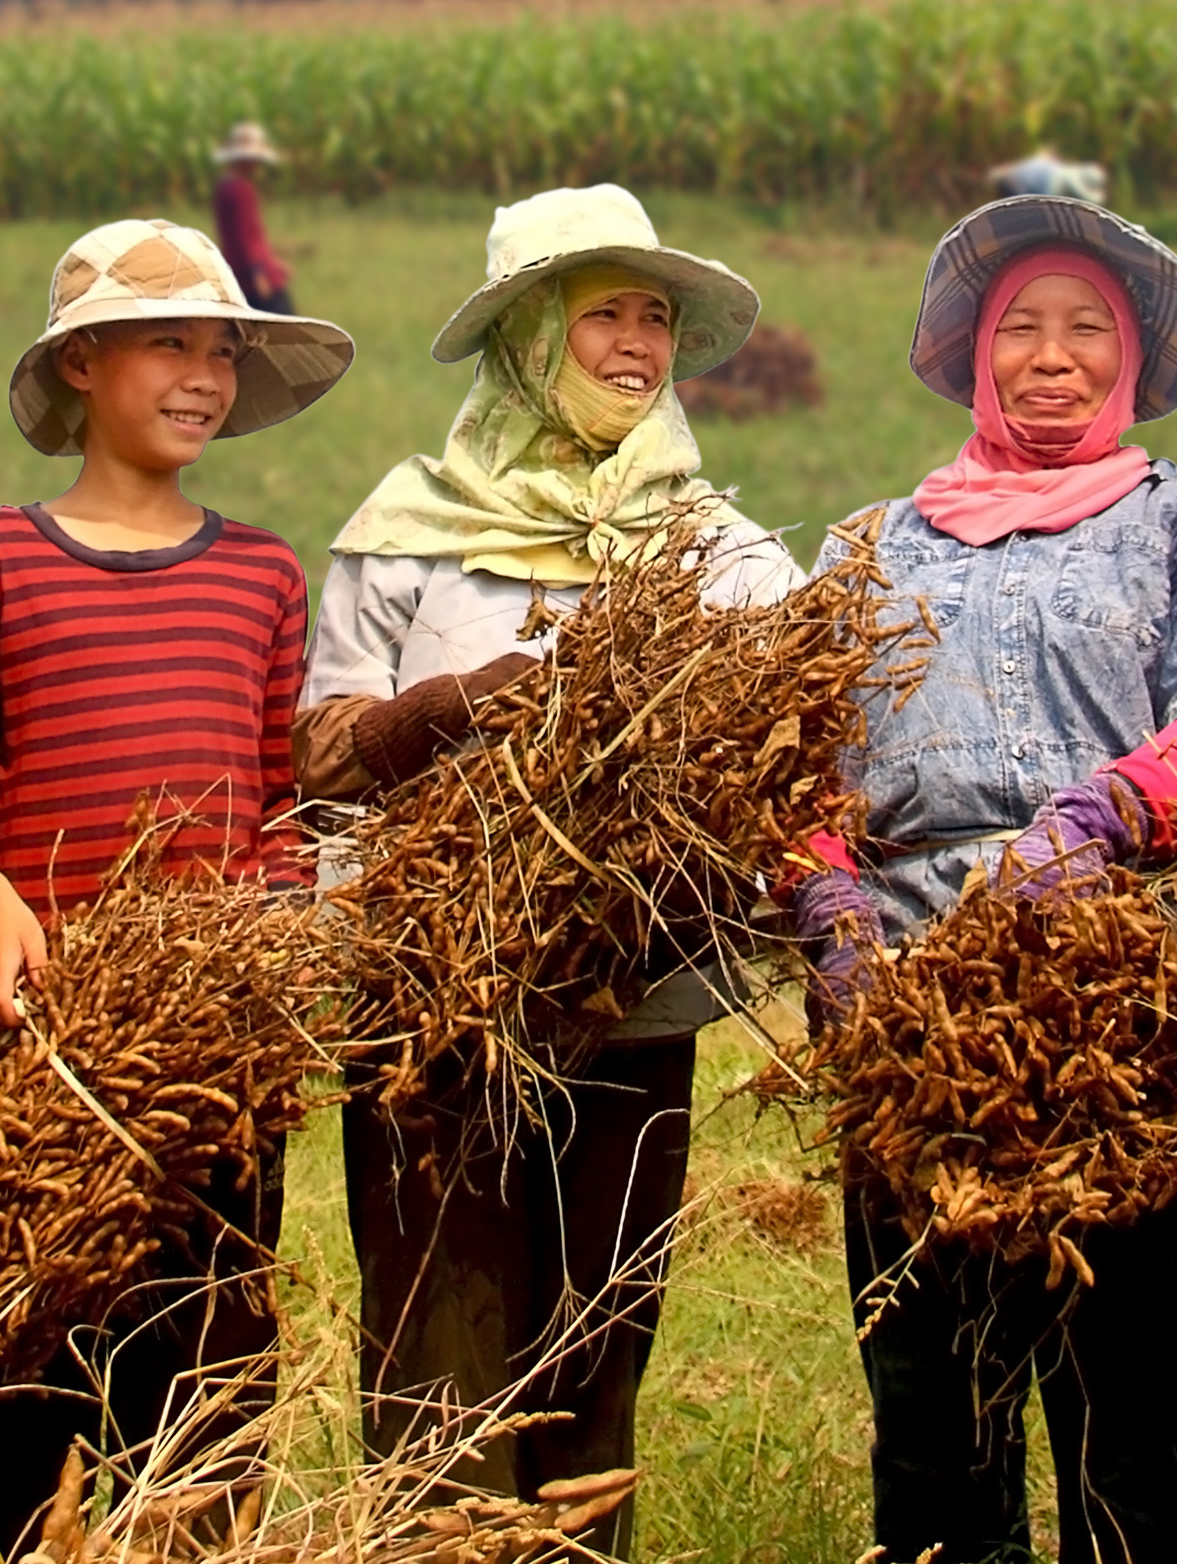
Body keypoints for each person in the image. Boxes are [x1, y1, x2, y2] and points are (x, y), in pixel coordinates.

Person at [290, 184, 799, 1556]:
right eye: (601, 315)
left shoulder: (724, 551)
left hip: (633, 1003)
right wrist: (441, 711)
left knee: (596, 1330)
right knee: (436, 1339)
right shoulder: (409, 528)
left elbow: (790, 755)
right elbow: (319, 758)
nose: (635, 343)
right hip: (431, 1009)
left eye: (654, 318)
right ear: (528, 335)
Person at [799, 194, 1177, 1564]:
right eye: (1021, 327)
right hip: (905, 1002)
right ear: (976, 352)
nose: (1051, 357)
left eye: (1087, 329)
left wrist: (1100, 817)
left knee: (1116, 1387)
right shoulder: (868, 545)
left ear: (1128, 357)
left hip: (1109, 989)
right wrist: (829, 902)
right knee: (929, 1394)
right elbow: (793, 758)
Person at [0, 217, 352, 1563]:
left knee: (199, 1384)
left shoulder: (262, 572)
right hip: (31, 1035)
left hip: (209, 1052)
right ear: (82, 363)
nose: (204, 376)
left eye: (222, 352)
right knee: (6, 1388)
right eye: (169, 344)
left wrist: (281, 929)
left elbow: (279, 803)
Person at [211, 121, 294, 314]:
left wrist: (273, 262)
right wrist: (258, 273)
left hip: (235, 273)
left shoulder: (224, 187)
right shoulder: (242, 190)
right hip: (251, 278)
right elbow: (245, 237)